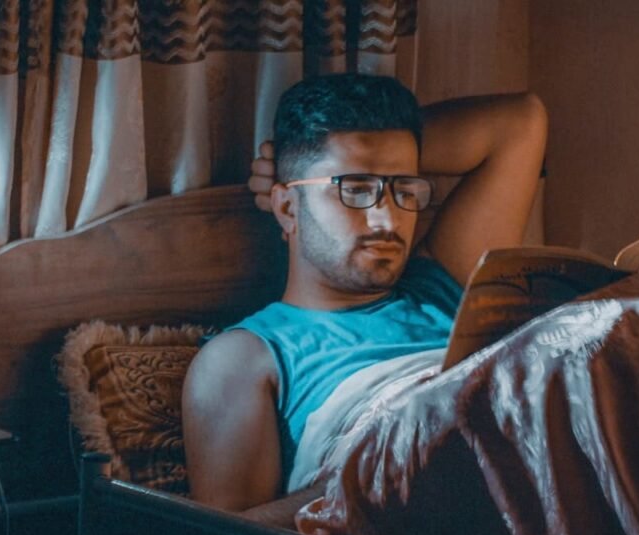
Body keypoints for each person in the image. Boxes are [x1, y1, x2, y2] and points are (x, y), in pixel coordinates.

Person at [183, 73, 547, 512]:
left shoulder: (446, 282)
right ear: (285, 206)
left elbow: (520, 122)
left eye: (403, 189)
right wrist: (386, 472)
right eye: (355, 190)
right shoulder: (242, 358)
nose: (386, 222)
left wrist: (378, 156)